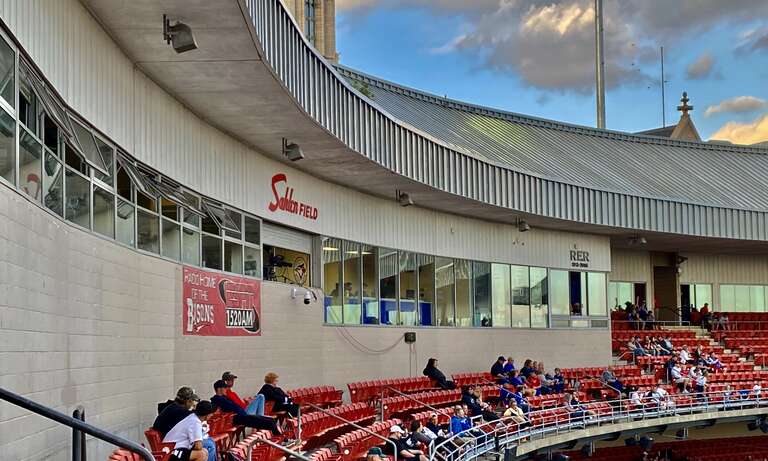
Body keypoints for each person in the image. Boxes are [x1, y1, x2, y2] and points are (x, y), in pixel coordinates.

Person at [153, 387, 218, 461]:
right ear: (187, 401)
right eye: (191, 401)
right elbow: (198, 446)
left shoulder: (174, 408)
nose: (193, 404)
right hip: (169, 449)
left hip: (173, 445)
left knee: (205, 449)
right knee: (207, 447)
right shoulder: (182, 413)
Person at [211, 380, 282, 435]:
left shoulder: (224, 398)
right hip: (237, 418)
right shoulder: (218, 399)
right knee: (269, 423)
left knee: (271, 420)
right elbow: (232, 408)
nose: (226, 389)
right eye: (225, 388)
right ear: (219, 389)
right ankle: (279, 437)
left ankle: (279, 436)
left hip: (242, 415)